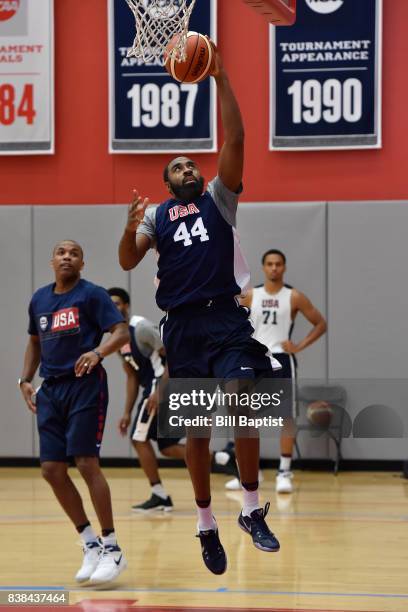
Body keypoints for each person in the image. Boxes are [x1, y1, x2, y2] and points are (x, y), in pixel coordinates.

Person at [118, 44, 282, 575]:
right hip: (182, 326)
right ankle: (206, 521)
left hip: (226, 318)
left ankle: (253, 510)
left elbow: (235, 137)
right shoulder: (157, 217)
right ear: (168, 182)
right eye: (178, 166)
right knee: (197, 432)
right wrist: (129, 226)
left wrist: (221, 76)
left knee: (242, 400)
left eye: (192, 162)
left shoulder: (219, 198)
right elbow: (127, 258)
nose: (188, 167)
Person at [19, 240, 129, 585]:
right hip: (51, 389)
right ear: (52, 260)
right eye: (61, 252)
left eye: (74, 253)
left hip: (85, 385)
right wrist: (25, 378)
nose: (67, 256)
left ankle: (112, 547)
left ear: (82, 262)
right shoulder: (39, 299)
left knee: (85, 462)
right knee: (51, 469)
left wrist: (97, 353)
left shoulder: (92, 295)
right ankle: (89, 542)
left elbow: (120, 331)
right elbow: (35, 341)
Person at [108, 287, 238, 512]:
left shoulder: (140, 328)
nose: (114, 308)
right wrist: (127, 412)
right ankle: (224, 458)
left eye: (117, 303)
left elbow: (173, 356)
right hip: (154, 388)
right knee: (167, 447)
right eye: (109, 304)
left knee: (138, 439)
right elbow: (131, 376)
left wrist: (160, 391)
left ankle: (159, 495)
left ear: (126, 306)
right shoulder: (117, 337)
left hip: (164, 385)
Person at [227, 249, 327, 494]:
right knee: (247, 417)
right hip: (255, 359)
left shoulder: (294, 296)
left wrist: (298, 346)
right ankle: (252, 471)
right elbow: (230, 320)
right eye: (270, 264)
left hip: (282, 359)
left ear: (284, 267)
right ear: (263, 267)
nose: (274, 268)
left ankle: (284, 471)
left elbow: (320, 323)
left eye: (278, 264)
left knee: (286, 416)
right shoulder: (251, 296)